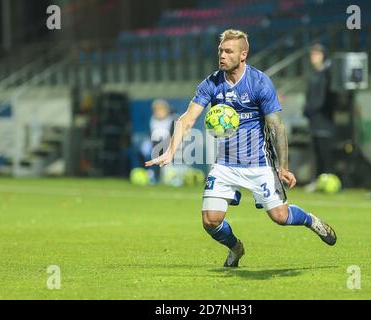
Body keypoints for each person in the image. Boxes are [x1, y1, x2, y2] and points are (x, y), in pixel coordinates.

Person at [145, 29, 336, 268]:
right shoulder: (212, 83)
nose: (222, 56)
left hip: (259, 163)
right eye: (220, 51)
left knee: (280, 216)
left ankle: (310, 220)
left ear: (243, 55)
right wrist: (171, 151)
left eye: (228, 51)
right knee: (210, 221)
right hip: (225, 164)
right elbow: (187, 118)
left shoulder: (259, 82)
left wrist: (283, 167)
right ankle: (236, 248)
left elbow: (276, 126)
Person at [302, 44, 335, 191]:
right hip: (314, 118)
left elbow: (326, 97)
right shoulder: (314, 74)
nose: (313, 57)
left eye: (317, 54)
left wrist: (315, 108)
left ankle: (329, 179)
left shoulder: (328, 73)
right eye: (312, 54)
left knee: (325, 150)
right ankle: (318, 179)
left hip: (324, 118)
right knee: (316, 150)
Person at [140, 99, 177, 183]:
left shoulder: (172, 119)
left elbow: (174, 135)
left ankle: (169, 175)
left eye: (161, 110)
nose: (159, 113)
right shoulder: (153, 120)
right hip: (155, 143)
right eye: (156, 110)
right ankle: (150, 172)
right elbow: (151, 135)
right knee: (144, 148)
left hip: (168, 143)